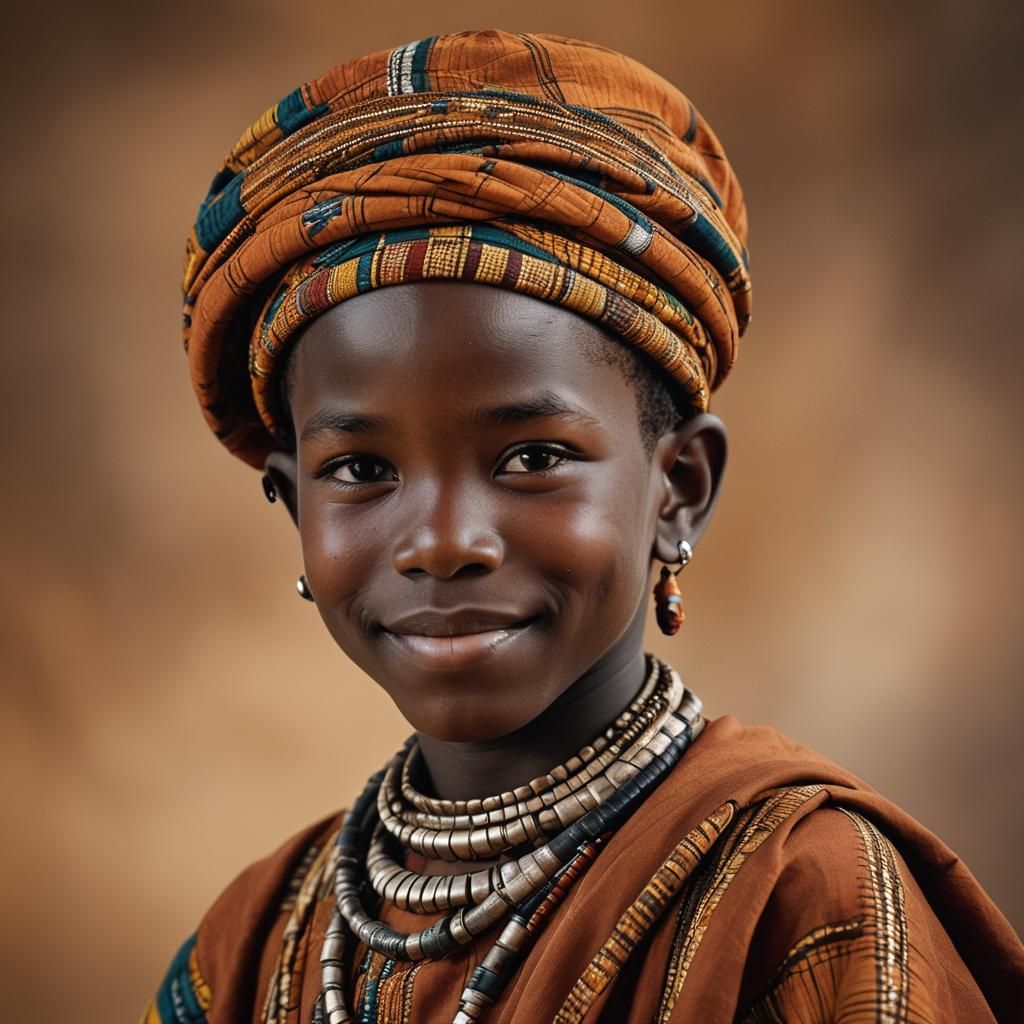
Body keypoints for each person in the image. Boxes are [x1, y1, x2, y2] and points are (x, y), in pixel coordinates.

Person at [143, 30, 1022, 1024]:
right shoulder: (254, 943)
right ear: (294, 503)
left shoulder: (802, 898)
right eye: (361, 470)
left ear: (678, 488)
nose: (443, 541)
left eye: (531, 458)